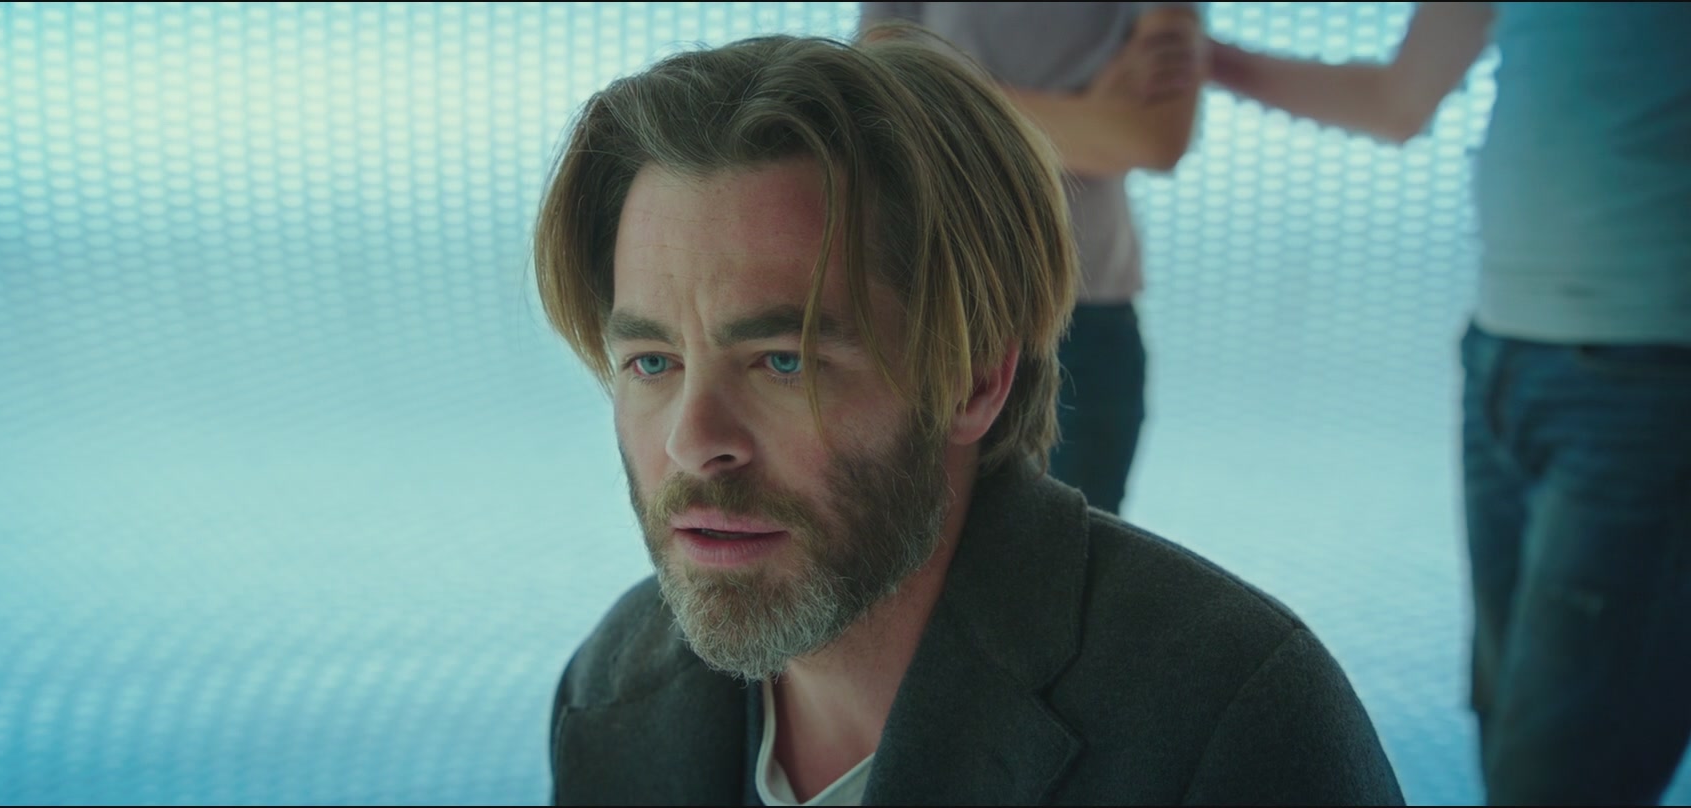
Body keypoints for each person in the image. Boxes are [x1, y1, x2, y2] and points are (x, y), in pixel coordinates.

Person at [534, 28, 1403, 806]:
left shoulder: (1230, 724)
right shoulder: (612, 692)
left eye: (783, 362)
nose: (694, 441)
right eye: (653, 363)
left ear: (973, 377)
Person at [1205, 3, 1691, 804]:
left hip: (1654, 379)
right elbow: (1398, 101)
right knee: (1517, 733)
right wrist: (1204, 57)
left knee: (1562, 766)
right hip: (1507, 355)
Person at [859, 2, 1210, 515]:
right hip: (938, 300)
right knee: (915, 540)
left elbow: (1153, 138)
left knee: (1072, 550)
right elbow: (882, 102)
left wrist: (949, 103)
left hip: (1088, 320)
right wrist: (1095, 115)